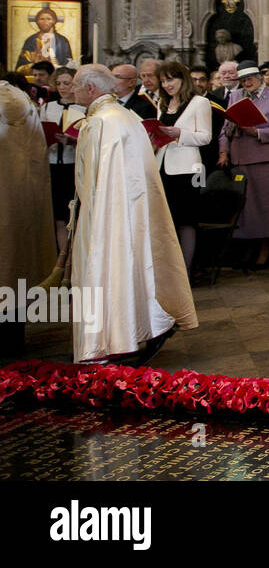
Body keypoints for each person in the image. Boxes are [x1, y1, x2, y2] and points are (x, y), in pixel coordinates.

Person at [65, 65, 197, 364]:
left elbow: (90, 184)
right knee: (136, 269)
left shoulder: (99, 123)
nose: (71, 90)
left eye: (75, 85)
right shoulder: (127, 117)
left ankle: (112, 339)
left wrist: (88, 219)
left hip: (108, 216)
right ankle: (142, 328)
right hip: (132, 212)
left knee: (112, 270)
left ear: (90, 89)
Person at [0, 78, 57, 356]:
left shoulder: (6, 101)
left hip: (8, 203)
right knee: (14, 269)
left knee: (9, 269)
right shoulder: (15, 98)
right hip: (18, 203)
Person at [218, 60, 269, 269]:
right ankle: (247, 246)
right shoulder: (235, 96)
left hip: (264, 157)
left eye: (250, 78)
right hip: (239, 156)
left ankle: (265, 247)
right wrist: (223, 151)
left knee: (264, 204)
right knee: (245, 206)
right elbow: (224, 129)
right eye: (243, 79)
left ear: (260, 78)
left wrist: (257, 132)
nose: (247, 82)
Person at [154, 60, 212, 271]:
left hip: (188, 168)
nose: (167, 85)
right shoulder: (163, 104)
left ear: (182, 79)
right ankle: (170, 270)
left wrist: (180, 134)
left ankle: (186, 270)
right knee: (168, 220)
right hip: (163, 165)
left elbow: (206, 137)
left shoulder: (199, 103)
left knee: (187, 219)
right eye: (162, 81)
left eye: (171, 79)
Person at [42, 67, 83, 260]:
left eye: (67, 83)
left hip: (73, 165)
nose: (62, 87)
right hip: (52, 164)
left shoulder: (83, 108)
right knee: (58, 215)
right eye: (58, 83)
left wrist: (73, 141)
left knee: (72, 215)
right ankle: (61, 259)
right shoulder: (48, 107)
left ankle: (74, 260)